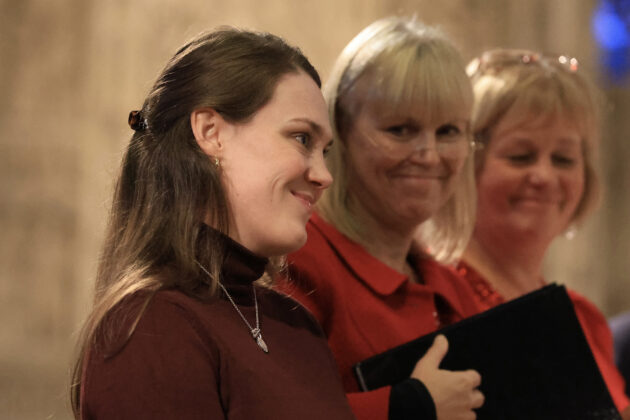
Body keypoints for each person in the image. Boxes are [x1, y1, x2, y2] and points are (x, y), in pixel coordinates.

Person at [70, 28, 356, 420]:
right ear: (211, 132)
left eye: (325, 151)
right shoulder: (154, 325)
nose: (324, 176)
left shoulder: (295, 323)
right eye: (302, 138)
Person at [278, 17, 484, 419]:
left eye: (447, 131)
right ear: (339, 133)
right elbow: (275, 410)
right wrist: (409, 407)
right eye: (400, 130)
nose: (429, 156)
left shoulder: (453, 289)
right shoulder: (298, 261)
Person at [458, 48, 630, 416]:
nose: (544, 176)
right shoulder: (434, 297)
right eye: (520, 156)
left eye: (563, 159)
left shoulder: (582, 317)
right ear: (465, 163)